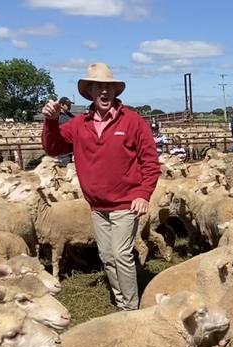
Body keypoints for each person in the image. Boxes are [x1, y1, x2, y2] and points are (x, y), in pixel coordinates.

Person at [41, 63, 161, 310]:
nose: (104, 92)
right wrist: (51, 122)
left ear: (115, 91)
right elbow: (54, 148)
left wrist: (143, 193)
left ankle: (130, 308)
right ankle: (120, 300)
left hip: (126, 202)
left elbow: (150, 161)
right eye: (98, 87)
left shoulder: (133, 122)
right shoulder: (79, 124)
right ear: (90, 92)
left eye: (108, 87)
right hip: (97, 206)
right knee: (106, 256)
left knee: (121, 254)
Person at [57, 96, 75, 166]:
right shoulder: (56, 117)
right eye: (67, 104)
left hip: (72, 148)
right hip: (62, 149)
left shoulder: (72, 117)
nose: (69, 106)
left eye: (70, 104)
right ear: (61, 105)